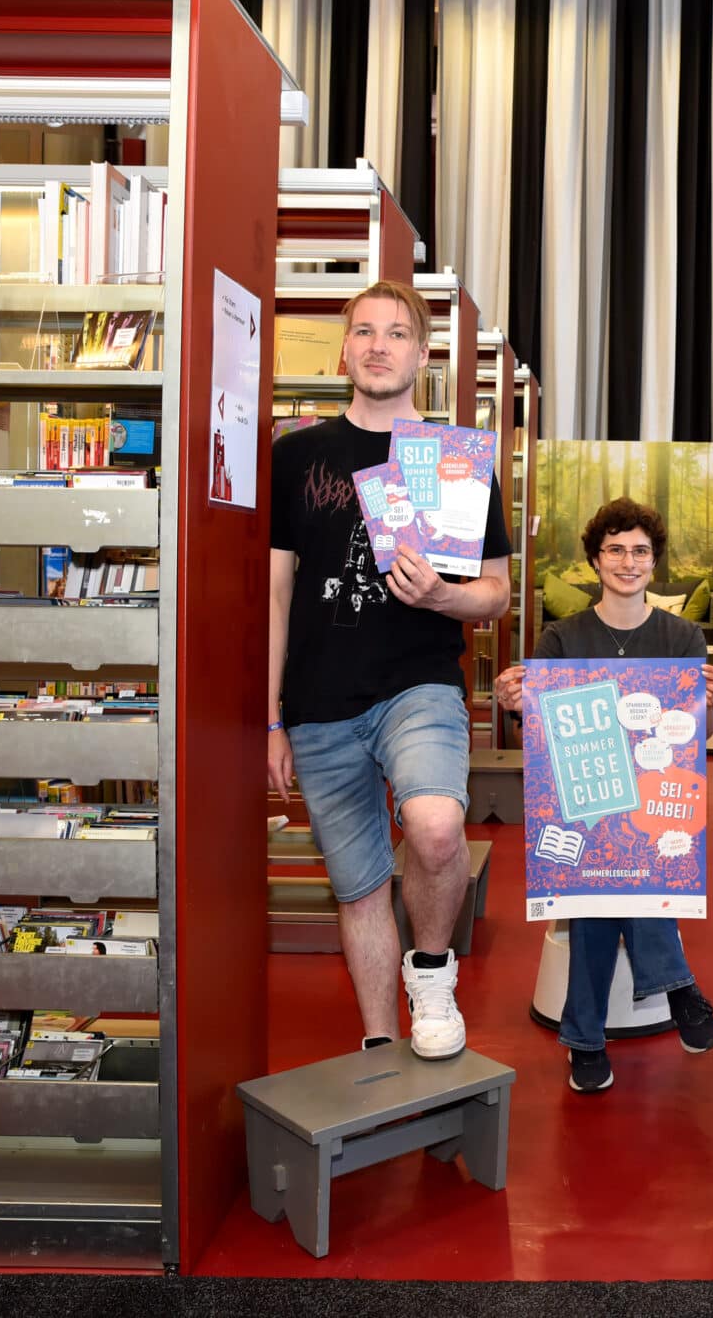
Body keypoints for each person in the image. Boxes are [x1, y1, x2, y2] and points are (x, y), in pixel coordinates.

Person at [268, 280, 512, 1059]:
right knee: (360, 884)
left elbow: (497, 594)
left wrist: (443, 595)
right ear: (344, 350)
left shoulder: (456, 462)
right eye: (365, 331)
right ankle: (380, 1041)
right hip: (319, 702)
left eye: (398, 333)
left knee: (436, 829)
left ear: (423, 354)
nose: (379, 345)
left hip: (420, 683)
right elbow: (277, 593)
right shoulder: (294, 456)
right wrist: (272, 716)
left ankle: (431, 973)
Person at [494, 498, 713, 1092]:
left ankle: (585, 1040)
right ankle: (679, 989)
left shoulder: (681, 636)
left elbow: (694, 735)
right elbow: (537, 737)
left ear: (654, 562)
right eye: (616, 550)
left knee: (612, 869)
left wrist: (711, 703)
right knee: (607, 844)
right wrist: (516, 704)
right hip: (583, 796)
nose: (629, 562)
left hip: (655, 797)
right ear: (596, 560)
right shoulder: (562, 637)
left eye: (640, 551)